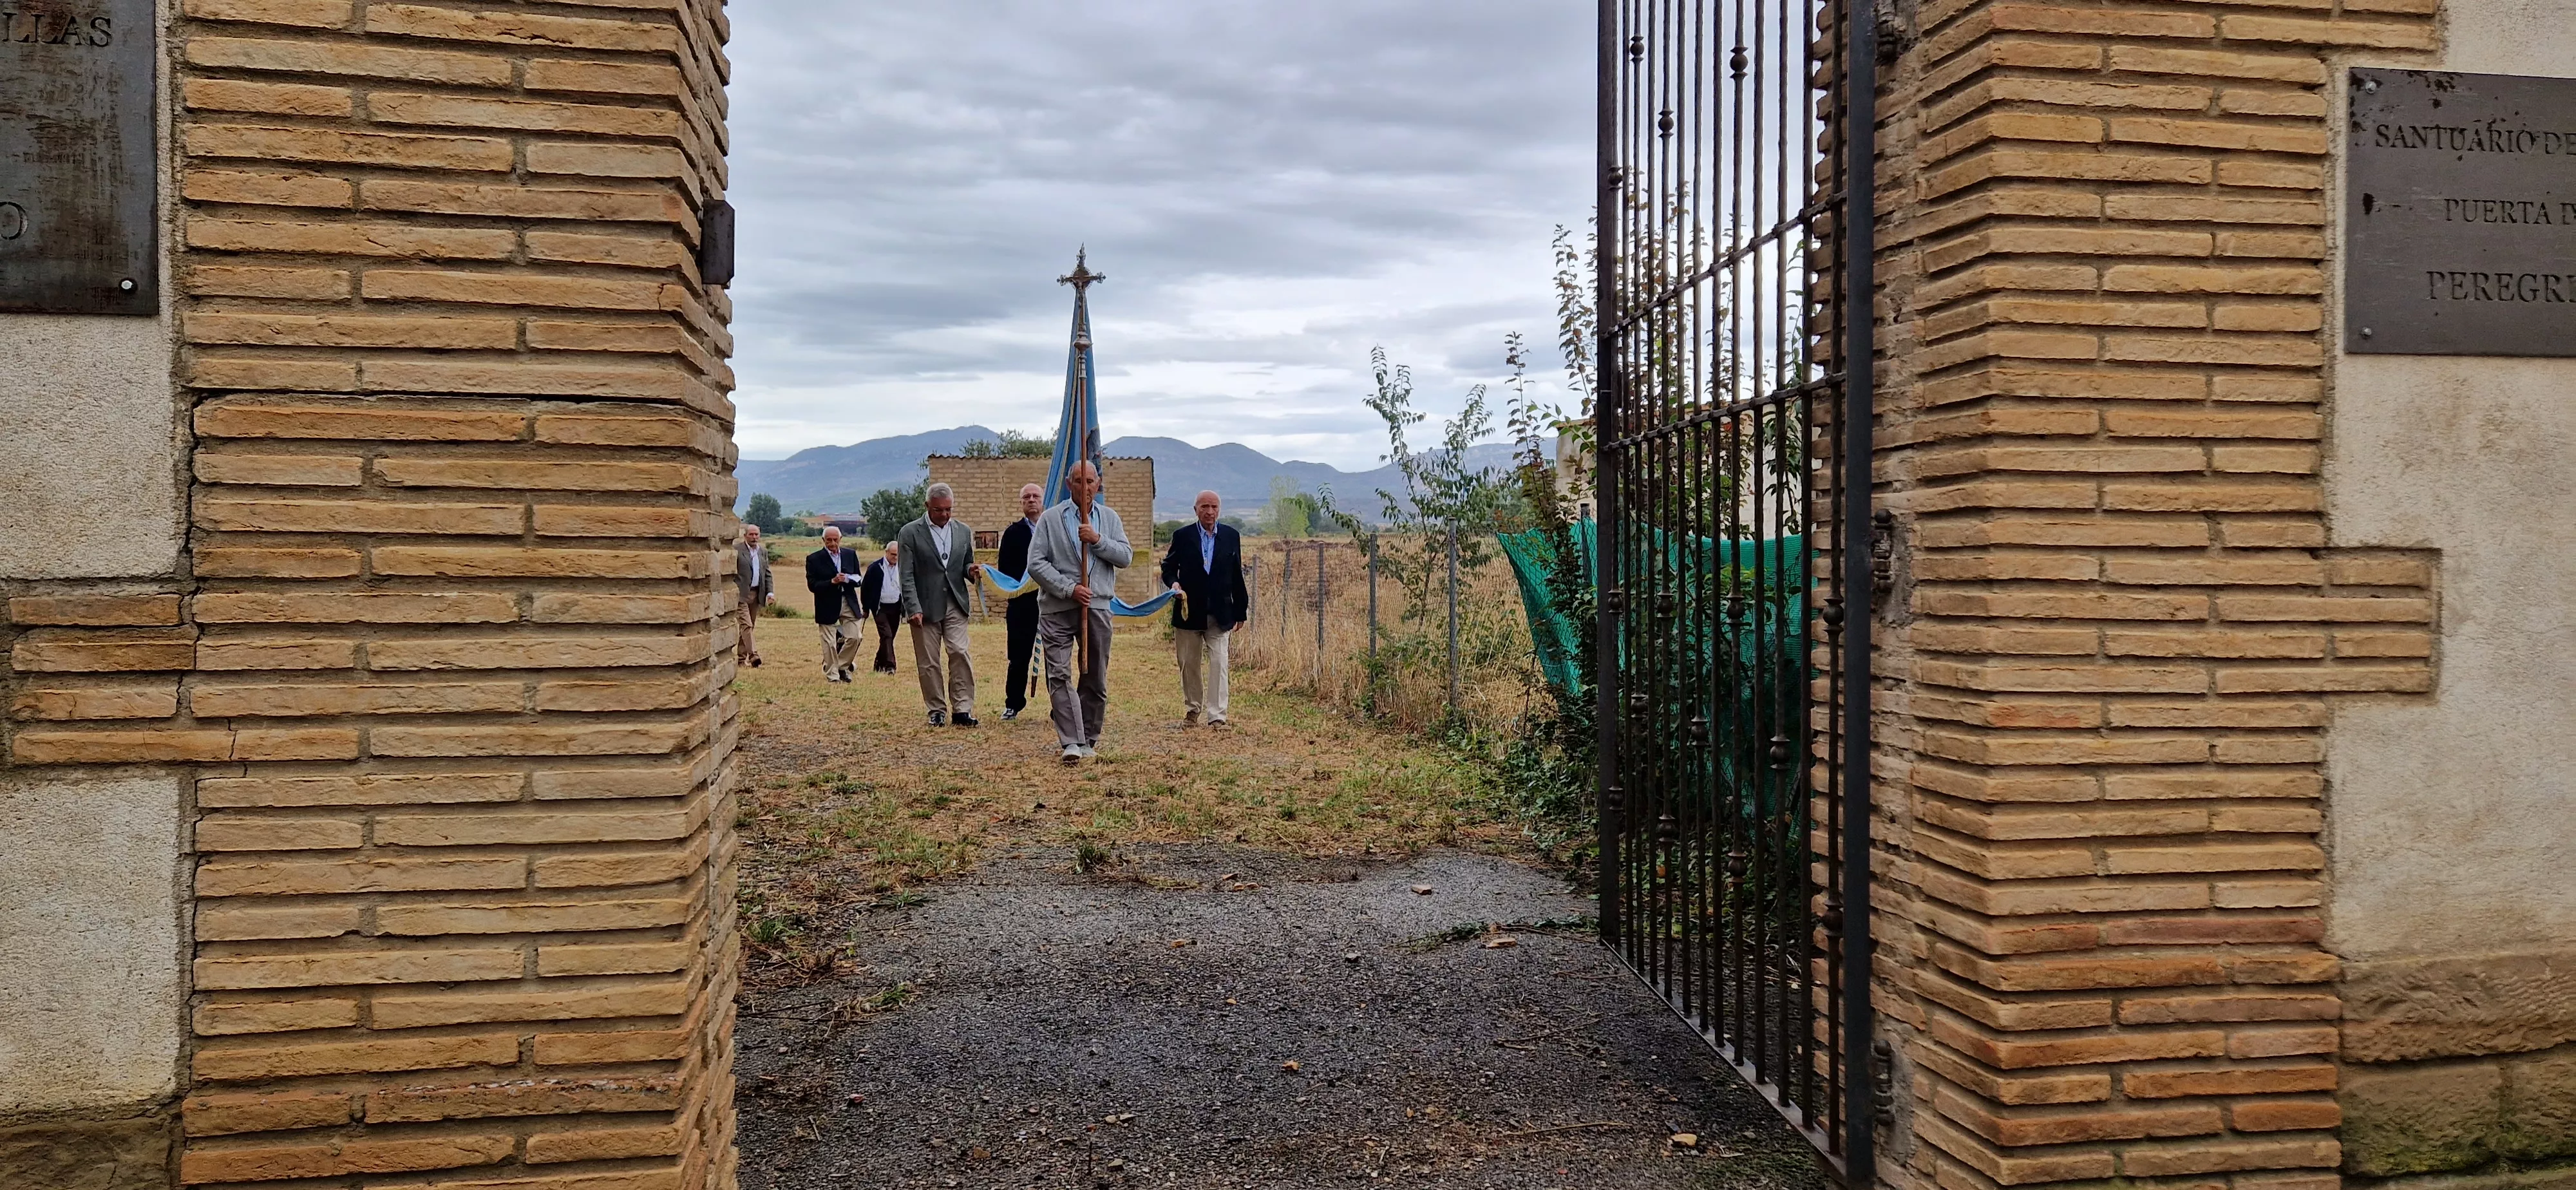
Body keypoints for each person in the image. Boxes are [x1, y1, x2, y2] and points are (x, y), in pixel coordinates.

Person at [1027, 460, 1131, 764]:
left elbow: (1125, 557)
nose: (1084, 487)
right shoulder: (1051, 519)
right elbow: (1036, 563)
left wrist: (1097, 541)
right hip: (1057, 608)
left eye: (1090, 481)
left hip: (1097, 606)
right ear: (1067, 483)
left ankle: (1089, 737)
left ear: (1098, 484)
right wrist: (1068, 588)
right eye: (1078, 481)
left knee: (1095, 675)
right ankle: (1071, 741)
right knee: (1058, 673)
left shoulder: (1109, 519)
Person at [896, 482, 983, 727]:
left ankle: (962, 709)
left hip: (955, 602)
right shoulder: (910, 533)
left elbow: (965, 565)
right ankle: (936, 709)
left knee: (959, 652)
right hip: (924, 607)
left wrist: (972, 570)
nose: (944, 514)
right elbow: (906, 574)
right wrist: (913, 608)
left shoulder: (964, 531)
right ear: (927, 507)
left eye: (948, 510)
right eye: (939, 510)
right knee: (929, 661)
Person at [1159, 489, 1248, 727]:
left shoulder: (1231, 536)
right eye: (1205, 507)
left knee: (1220, 663)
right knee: (1189, 663)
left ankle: (1217, 716)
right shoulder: (1183, 536)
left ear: (1220, 509)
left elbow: (1236, 575)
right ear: (1195, 510)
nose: (1210, 512)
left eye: (1214, 507)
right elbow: (1168, 568)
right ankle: (1192, 709)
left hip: (1220, 613)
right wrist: (1173, 583)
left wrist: (1241, 610)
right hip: (1189, 612)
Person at [994, 482, 1045, 721]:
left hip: (1052, 603)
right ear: (1021, 502)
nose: (1031, 500)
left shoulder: (1052, 528)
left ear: (1042, 500)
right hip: (1022, 604)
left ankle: (1061, 708)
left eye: (1036, 496)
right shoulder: (1013, 533)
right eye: (1027, 497)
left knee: (1057, 658)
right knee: (1018, 657)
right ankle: (1013, 703)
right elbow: (1006, 570)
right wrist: (1028, 582)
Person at [803, 525, 864, 682]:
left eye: (835, 540)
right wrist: (832, 582)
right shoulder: (814, 559)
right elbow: (812, 585)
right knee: (829, 642)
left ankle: (842, 666)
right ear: (823, 540)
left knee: (855, 637)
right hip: (826, 604)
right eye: (829, 540)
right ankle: (833, 676)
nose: (832, 543)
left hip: (848, 601)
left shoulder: (850, 555)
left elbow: (859, 578)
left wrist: (848, 579)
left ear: (840, 540)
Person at [734, 523, 774, 668]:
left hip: (757, 593)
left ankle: (741, 659)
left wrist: (770, 592)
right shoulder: (737, 550)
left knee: (748, 627)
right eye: (751, 534)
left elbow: (767, 573)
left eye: (756, 534)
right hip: (741, 594)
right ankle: (754, 655)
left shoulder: (762, 551)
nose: (754, 537)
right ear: (745, 536)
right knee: (746, 625)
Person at [858, 542, 902, 675]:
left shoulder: (903, 567)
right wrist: (865, 608)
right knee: (886, 635)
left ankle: (879, 664)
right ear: (886, 552)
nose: (896, 557)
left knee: (889, 637)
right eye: (893, 554)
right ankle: (890, 666)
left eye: (898, 555)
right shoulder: (875, 568)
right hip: (879, 608)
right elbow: (865, 588)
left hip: (896, 607)